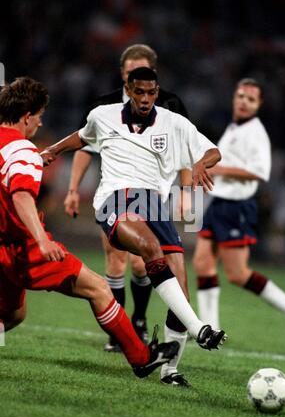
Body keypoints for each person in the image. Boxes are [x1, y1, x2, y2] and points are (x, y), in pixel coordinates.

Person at [41, 67, 228, 388]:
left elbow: (214, 151)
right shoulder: (103, 115)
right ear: (127, 88)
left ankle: (170, 371)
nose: (145, 98)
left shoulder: (175, 124)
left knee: (179, 293)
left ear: (157, 92)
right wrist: (53, 151)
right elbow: (82, 137)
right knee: (148, 248)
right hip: (115, 200)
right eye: (138, 92)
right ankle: (199, 328)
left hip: (156, 205)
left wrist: (199, 164)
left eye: (151, 93)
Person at [0, 76, 181, 380]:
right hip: (23, 246)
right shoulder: (23, 150)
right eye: (40, 117)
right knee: (98, 289)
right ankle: (142, 358)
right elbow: (21, 196)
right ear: (27, 116)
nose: (40, 125)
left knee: (14, 314)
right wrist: (42, 241)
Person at [64, 44, 190, 352]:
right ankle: (120, 332)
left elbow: (188, 150)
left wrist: (186, 194)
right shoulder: (103, 107)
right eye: (130, 71)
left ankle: (140, 320)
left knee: (141, 264)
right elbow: (84, 146)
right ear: (123, 74)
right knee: (116, 260)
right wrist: (72, 189)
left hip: (154, 195)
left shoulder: (171, 104)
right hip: (115, 193)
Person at [192, 78, 285, 331]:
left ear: (259, 104)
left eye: (250, 99)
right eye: (240, 96)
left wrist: (218, 169)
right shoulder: (235, 127)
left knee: (238, 274)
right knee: (202, 263)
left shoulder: (255, 132)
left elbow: (260, 172)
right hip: (219, 203)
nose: (243, 102)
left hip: (236, 208)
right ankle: (210, 328)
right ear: (234, 98)